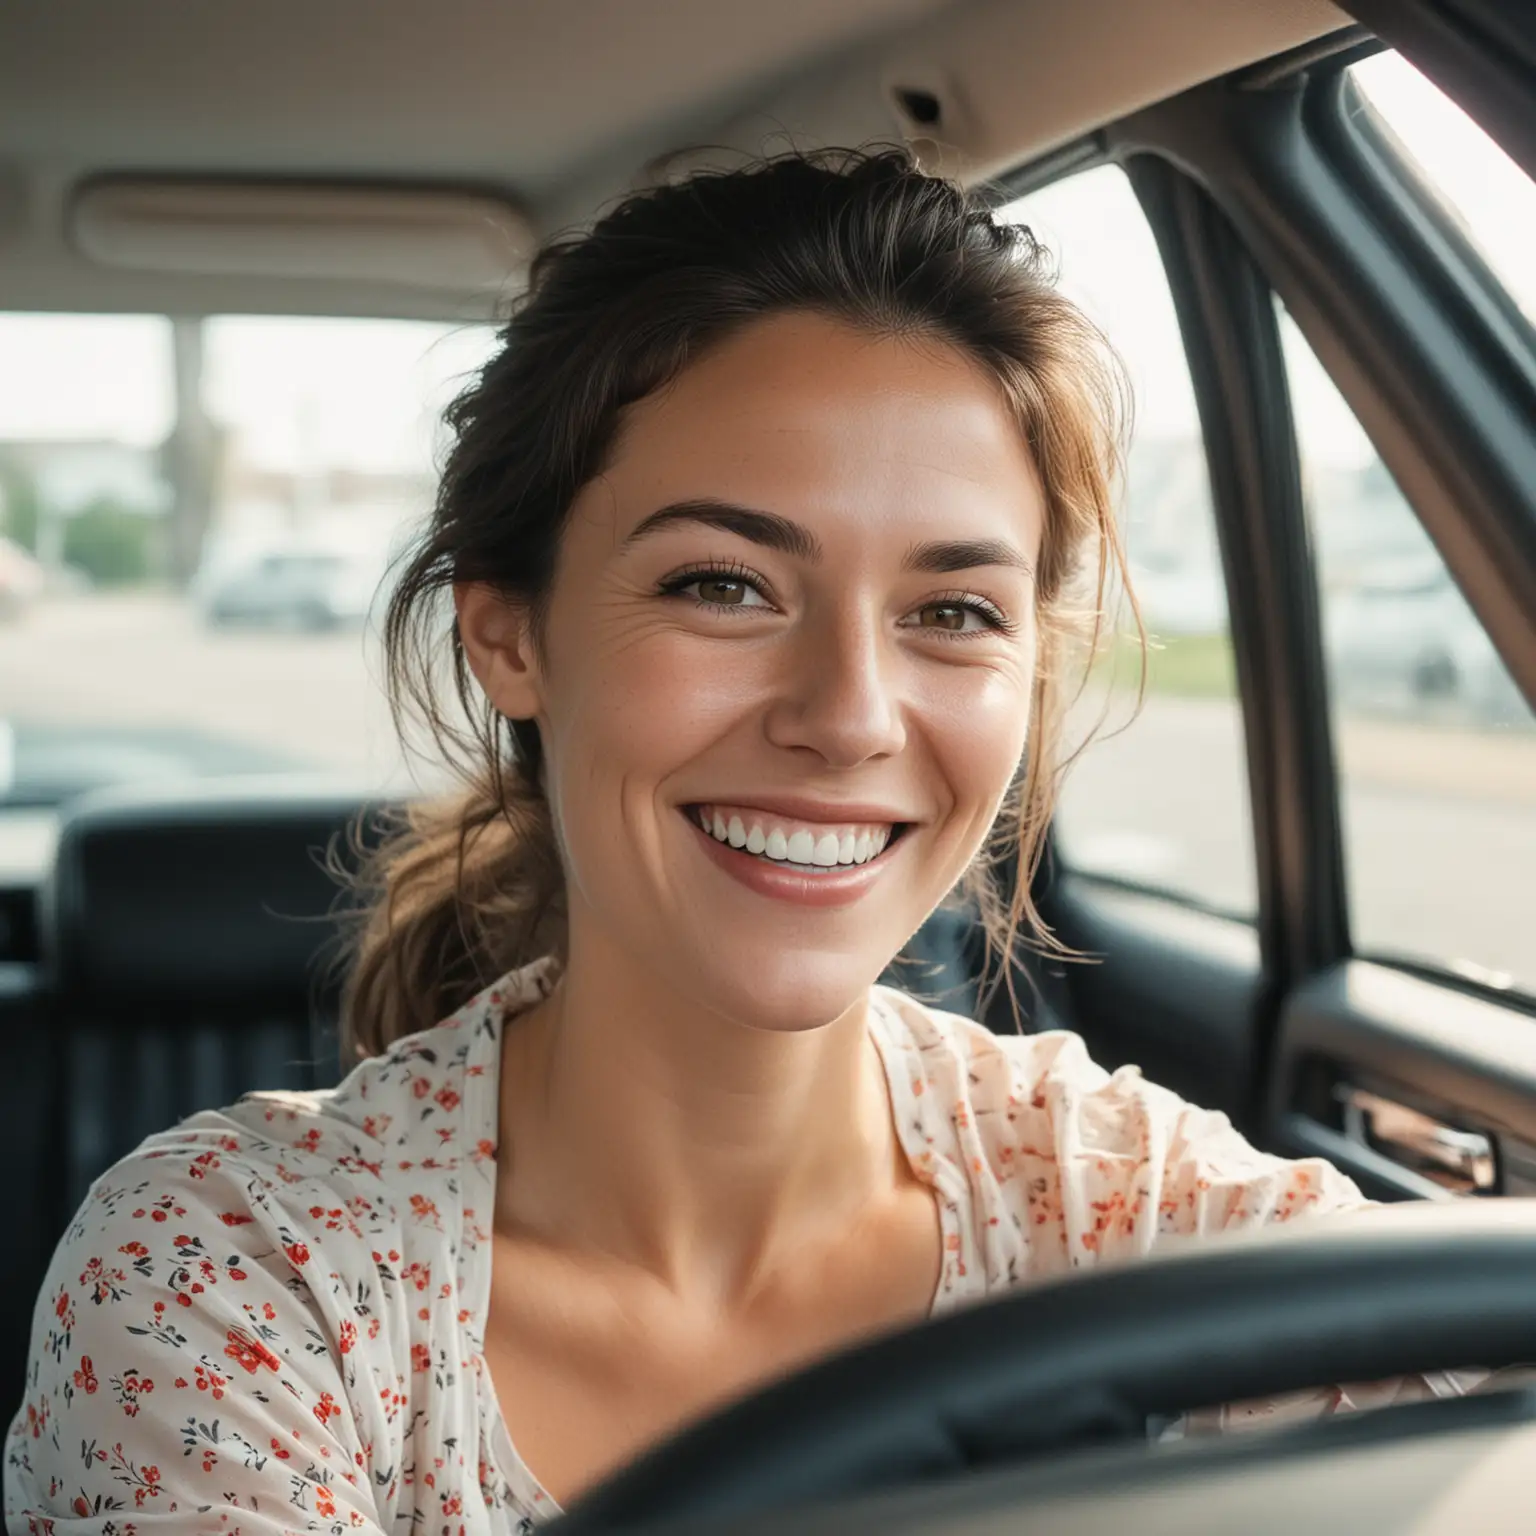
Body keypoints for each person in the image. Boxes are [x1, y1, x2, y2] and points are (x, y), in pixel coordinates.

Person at [4, 149, 1468, 1536]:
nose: (848, 715)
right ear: (510, 636)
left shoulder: (1106, 1181)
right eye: (723, 583)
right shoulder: (229, 1284)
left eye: (952, 611)